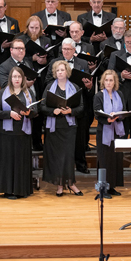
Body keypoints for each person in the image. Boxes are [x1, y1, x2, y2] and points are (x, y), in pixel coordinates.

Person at [46, 38, 93, 174]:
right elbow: (47, 81)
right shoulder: (54, 63)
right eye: (64, 49)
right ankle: (61, 165)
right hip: (59, 103)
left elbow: (88, 84)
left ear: (74, 50)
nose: (66, 51)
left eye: (69, 49)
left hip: (78, 103)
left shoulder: (83, 63)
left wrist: (89, 86)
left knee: (80, 137)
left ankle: (80, 164)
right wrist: (60, 79)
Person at [40, 60, 85, 196]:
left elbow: (81, 107)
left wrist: (70, 111)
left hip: (69, 127)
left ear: (67, 72)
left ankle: (70, 183)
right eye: (58, 70)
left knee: (68, 157)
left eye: (62, 70)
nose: (60, 72)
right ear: (55, 72)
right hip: (54, 128)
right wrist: (52, 111)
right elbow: (42, 106)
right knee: (57, 157)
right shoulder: (49, 87)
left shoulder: (75, 87)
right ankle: (60, 185)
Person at [0, 66, 37, 199]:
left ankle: (20, 189)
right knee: (7, 161)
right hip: (5, 133)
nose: (16, 79)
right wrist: (9, 114)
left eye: (19, 77)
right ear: (10, 78)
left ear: (23, 78)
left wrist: (29, 113)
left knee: (20, 162)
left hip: (22, 133)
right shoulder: (2, 93)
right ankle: (7, 190)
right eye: (14, 77)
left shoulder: (29, 93)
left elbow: (35, 112)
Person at [93, 70, 126, 198]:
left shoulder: (120, 94)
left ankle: (112, 187)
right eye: (106, 80)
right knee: (104, 160)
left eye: (111, 80)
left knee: (115, 160)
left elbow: (123, 112)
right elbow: (97, 114)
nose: (108, 82)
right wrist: (107, 119)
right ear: (103, 81)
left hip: (117, 131)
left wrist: (118, 117)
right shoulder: (99, 96)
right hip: (104, 132)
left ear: (115, 82)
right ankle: (103, 188)